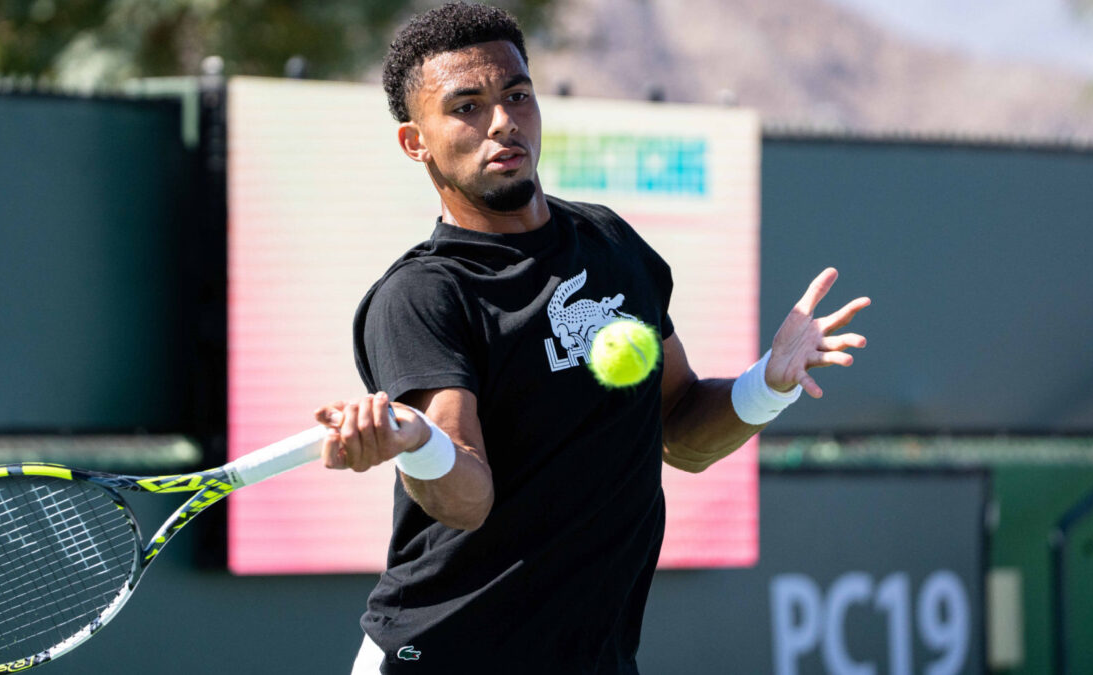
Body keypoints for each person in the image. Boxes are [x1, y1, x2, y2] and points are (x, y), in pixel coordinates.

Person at [312, 3, 870, 673]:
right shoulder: (422, 295)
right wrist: (418, 444)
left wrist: (768, 383)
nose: (502, 121)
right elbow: (466, 495)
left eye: (517, 94)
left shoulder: (611, 245)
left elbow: (680, 430)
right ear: (416, 141)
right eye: (466, 106)